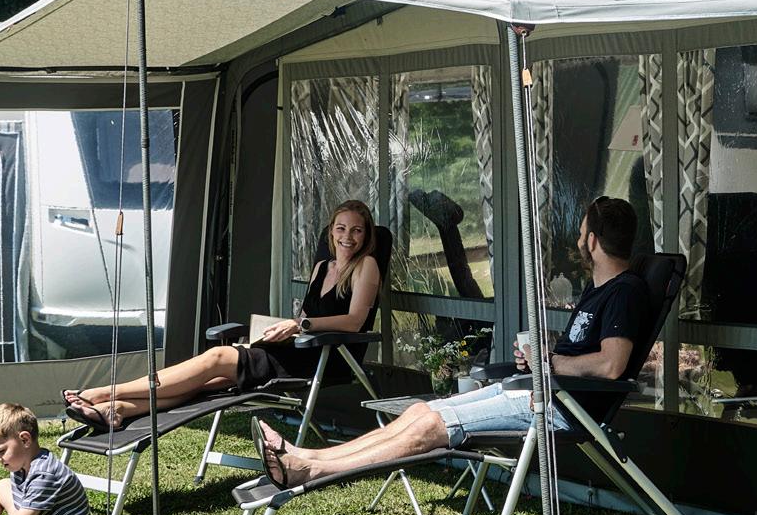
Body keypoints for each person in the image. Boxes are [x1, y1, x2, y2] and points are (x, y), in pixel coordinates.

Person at [256, 196, 649, 488]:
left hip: (560, 408)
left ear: (592, 241)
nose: (578, 240)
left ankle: (312, 470)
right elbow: (586, 351)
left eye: (580, 234)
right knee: (420, 412)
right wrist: (541, 356)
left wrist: (551, 363)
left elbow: (611, 365)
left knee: (429, 426)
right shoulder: (600, 290)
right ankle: (304, 455)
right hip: (537, 390)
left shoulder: (625, 292)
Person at [63, 199, 383, 430]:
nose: (347, 236)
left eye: (356, 230)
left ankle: (106, 392)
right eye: (341, 228)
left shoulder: (366, 266)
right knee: (207, 383)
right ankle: (117, 410)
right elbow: (305, 315)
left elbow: (355, 321)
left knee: (216, 357)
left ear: (366, 235)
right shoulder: (322, 267)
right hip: (296, 348)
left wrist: (299, 324)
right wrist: (277, 331)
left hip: (326, 357)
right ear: (331, 231)